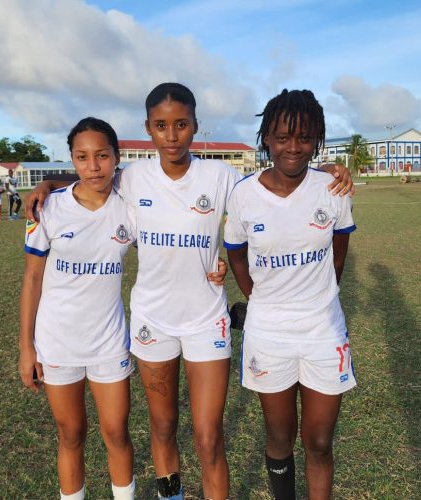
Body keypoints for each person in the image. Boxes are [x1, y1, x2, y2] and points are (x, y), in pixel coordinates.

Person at [25, 83, 354, 500]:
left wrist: (327, 170)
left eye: (181, 124)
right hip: (152, 322)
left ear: (195, 126)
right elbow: (92, 174)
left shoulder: (221, 177)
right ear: (148, 129)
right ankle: (172, 496)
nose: (172, 135)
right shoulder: (134, 178)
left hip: (206, 321)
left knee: (207, 435)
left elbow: (277, 177)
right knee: (163, 428)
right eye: (161, 126)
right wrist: (48, 182)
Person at [224, 89, 357, 500]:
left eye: (304, 138)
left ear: (317, 139)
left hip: (322, 330)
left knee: (318, 441)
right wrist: (259, 298)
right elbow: (236, 255)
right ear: (267, 138)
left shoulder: (332, 189)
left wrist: (318, 296)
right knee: (279, 438)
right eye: (282, 137)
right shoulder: (244, 194)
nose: (293, 148)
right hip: (269, 333)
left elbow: (338, 254)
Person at [19, 117, 136, 500]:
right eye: (82, 157)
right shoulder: (48, 208)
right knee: (70, 434)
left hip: (109, 342)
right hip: (57, 342)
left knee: (116, 432)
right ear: (72, 159)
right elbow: (32, 280)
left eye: (102, 155)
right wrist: (26, 348)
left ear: (117, 157)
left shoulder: (128, 208)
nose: (93, 166)